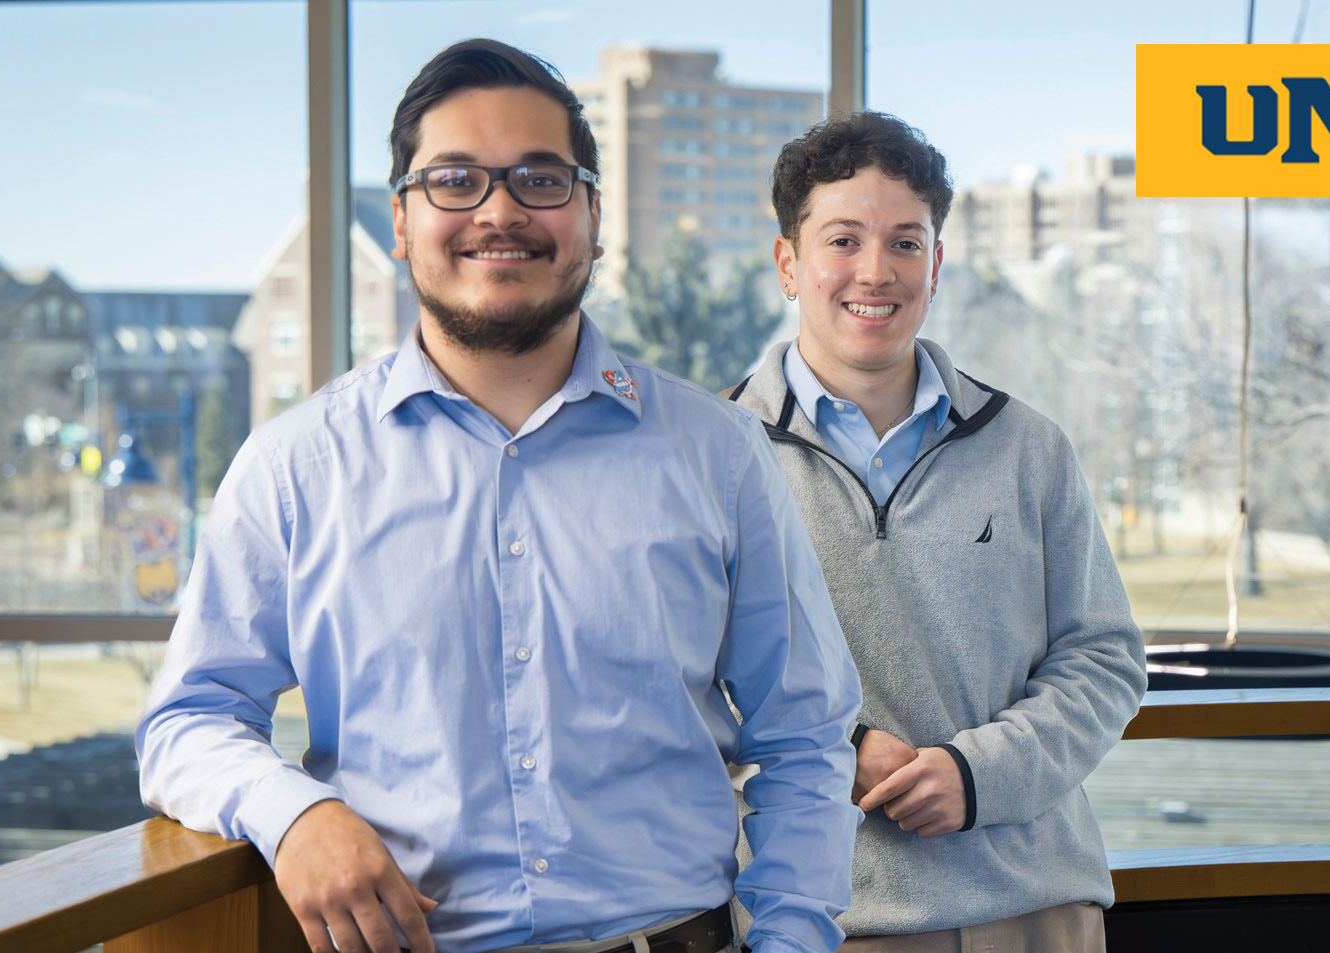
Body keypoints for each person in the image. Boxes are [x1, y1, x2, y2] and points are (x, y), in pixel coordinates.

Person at [137, 38, 861, 953]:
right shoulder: (293, 468)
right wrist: (295, 811)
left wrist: (793, 942)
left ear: (593, 214)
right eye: (453, 180)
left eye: (540, 180)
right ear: (400, 220)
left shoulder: (720, 454)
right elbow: (187, 722)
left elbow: (803, 734)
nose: (499, 210)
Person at [724, 112, 1147, 952]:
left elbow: (1104, 658)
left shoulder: (1029, 447)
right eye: (843, 240)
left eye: (906, 243)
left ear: (937, 262)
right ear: (788, 263)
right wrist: (838, 750)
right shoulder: (712, 454)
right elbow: (683, 675)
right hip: (819, 918)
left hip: (1035, 910)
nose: (875, 272)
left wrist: (977, 775)